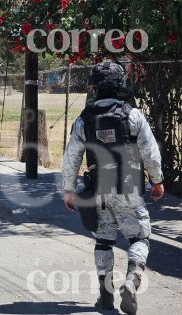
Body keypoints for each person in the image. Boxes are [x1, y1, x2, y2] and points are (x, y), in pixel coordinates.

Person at [62, 62, 164, 315]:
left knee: (103, 241)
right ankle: (132, 281)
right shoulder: (133, 115)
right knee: (139, 237)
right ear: (120, 84)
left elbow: (71, 157)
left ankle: (106, 296)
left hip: (98, 190)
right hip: (129, 189)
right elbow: (150, 152)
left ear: (94, 87)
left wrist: (69, 189)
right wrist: (157, 180)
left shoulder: (83, 119)